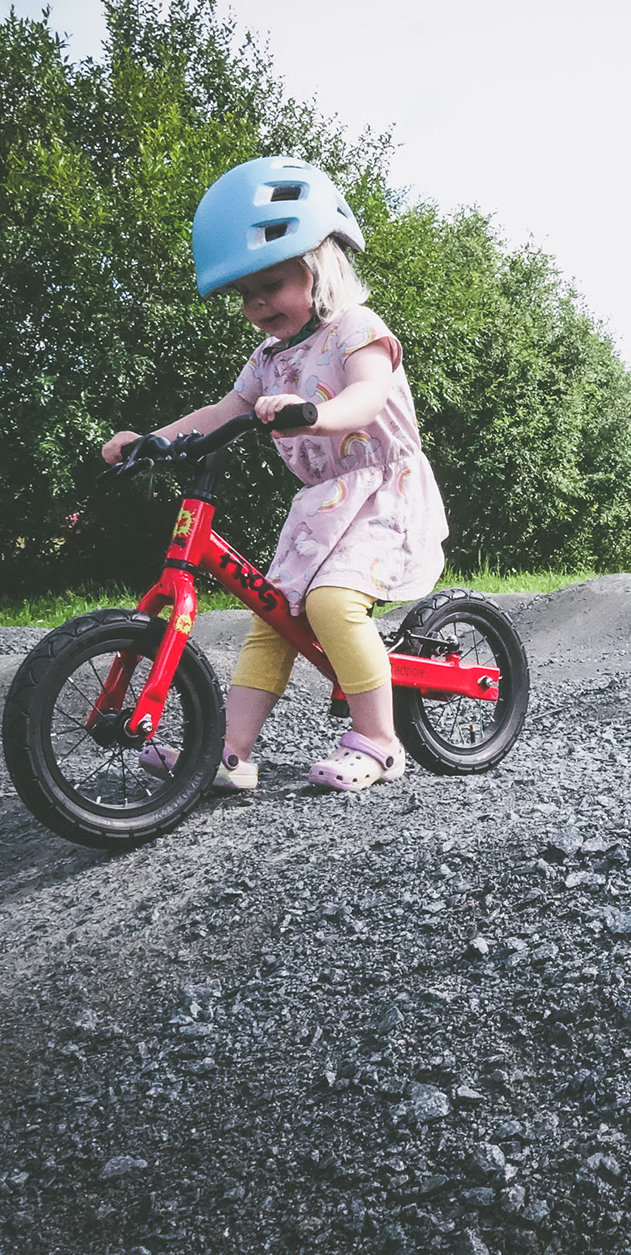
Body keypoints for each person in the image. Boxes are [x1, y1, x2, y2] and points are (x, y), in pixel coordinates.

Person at [102, 156, 449, 792]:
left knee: (331, 603)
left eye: (273, 284)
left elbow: (369, 398)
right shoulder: (268, 358)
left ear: (321, 268)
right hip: (324, 503)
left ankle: (380, 739)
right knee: (275, 616)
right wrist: (152, 439)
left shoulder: (357, 330)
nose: (258, 303)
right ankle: (228, 753)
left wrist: (316, 413)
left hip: (384, 493)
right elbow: (223, 411)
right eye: (246, 294)